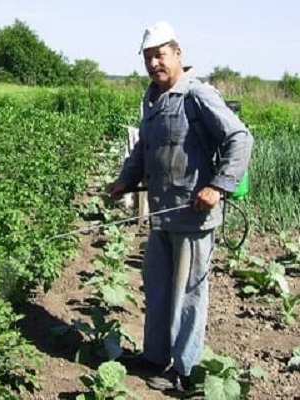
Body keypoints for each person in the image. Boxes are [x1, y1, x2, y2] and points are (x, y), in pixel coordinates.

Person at [108, 21, 253, 393]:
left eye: (160, 55)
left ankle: (183, 369)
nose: (154, 63)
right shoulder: (152, 98)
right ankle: (155, 357)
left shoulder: (197, 94)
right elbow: (143, 147)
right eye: (148, 58)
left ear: (177, 54)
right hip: (160, 215)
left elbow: (240, 138)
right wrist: (126, 178)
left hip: (192, 216)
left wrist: (218, 186)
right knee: (156, 288)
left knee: (188, 295)